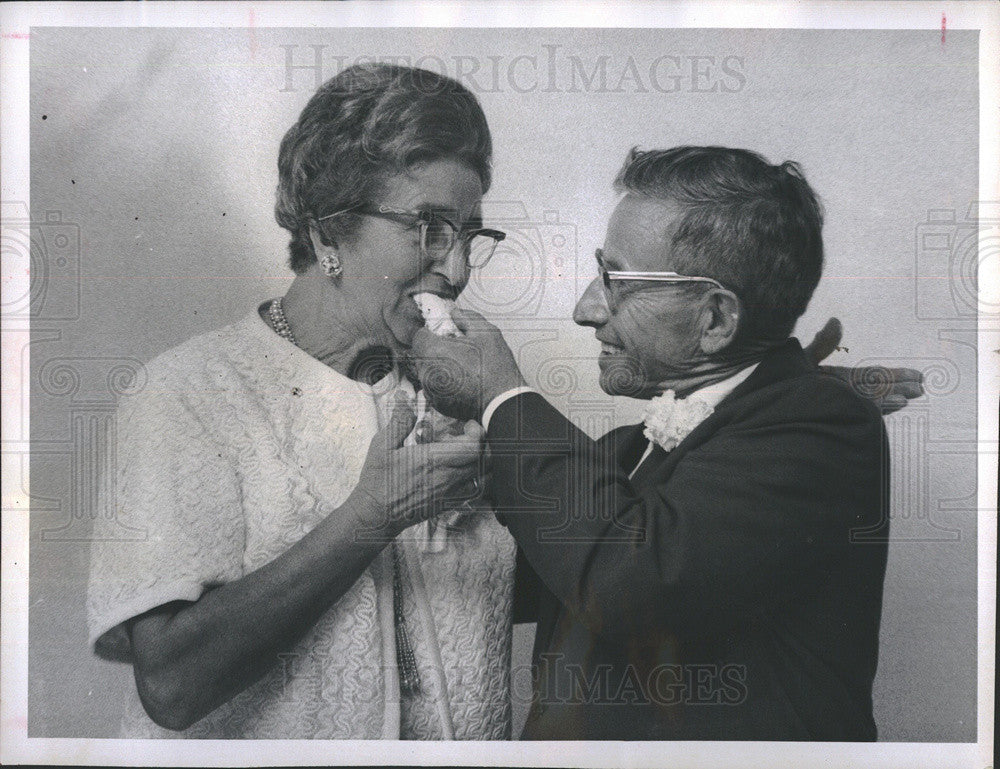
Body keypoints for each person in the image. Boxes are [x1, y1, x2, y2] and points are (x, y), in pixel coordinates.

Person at [413, 146, 915, 740]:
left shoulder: (825, 425)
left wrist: (502, 398)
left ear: (716, 322)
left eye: (616, 281)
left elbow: (627, 582)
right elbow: (523, 576)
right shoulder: (629, 452)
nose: (585, 310)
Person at [87, 63, 518, 739]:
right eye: (430, 229)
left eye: (468, 235)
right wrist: (373, 518)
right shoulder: (188, 391)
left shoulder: (463, 388)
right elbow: (171, 684)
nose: (458, 270)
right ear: (326, 235)